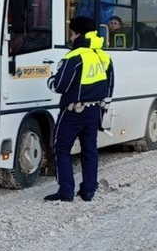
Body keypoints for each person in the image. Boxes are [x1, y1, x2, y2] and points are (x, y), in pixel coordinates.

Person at [45, 16, 114, 202]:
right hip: (94, 112)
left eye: (72, 33)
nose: (71, 37)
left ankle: (66, 191)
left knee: (61, 149)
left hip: (72, 112)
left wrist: (50, 79)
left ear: (76, 34)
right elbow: (109, 87)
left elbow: (60, 86)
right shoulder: (103, 56)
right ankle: (89, 190)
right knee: (89, 150)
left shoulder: (74, 57)